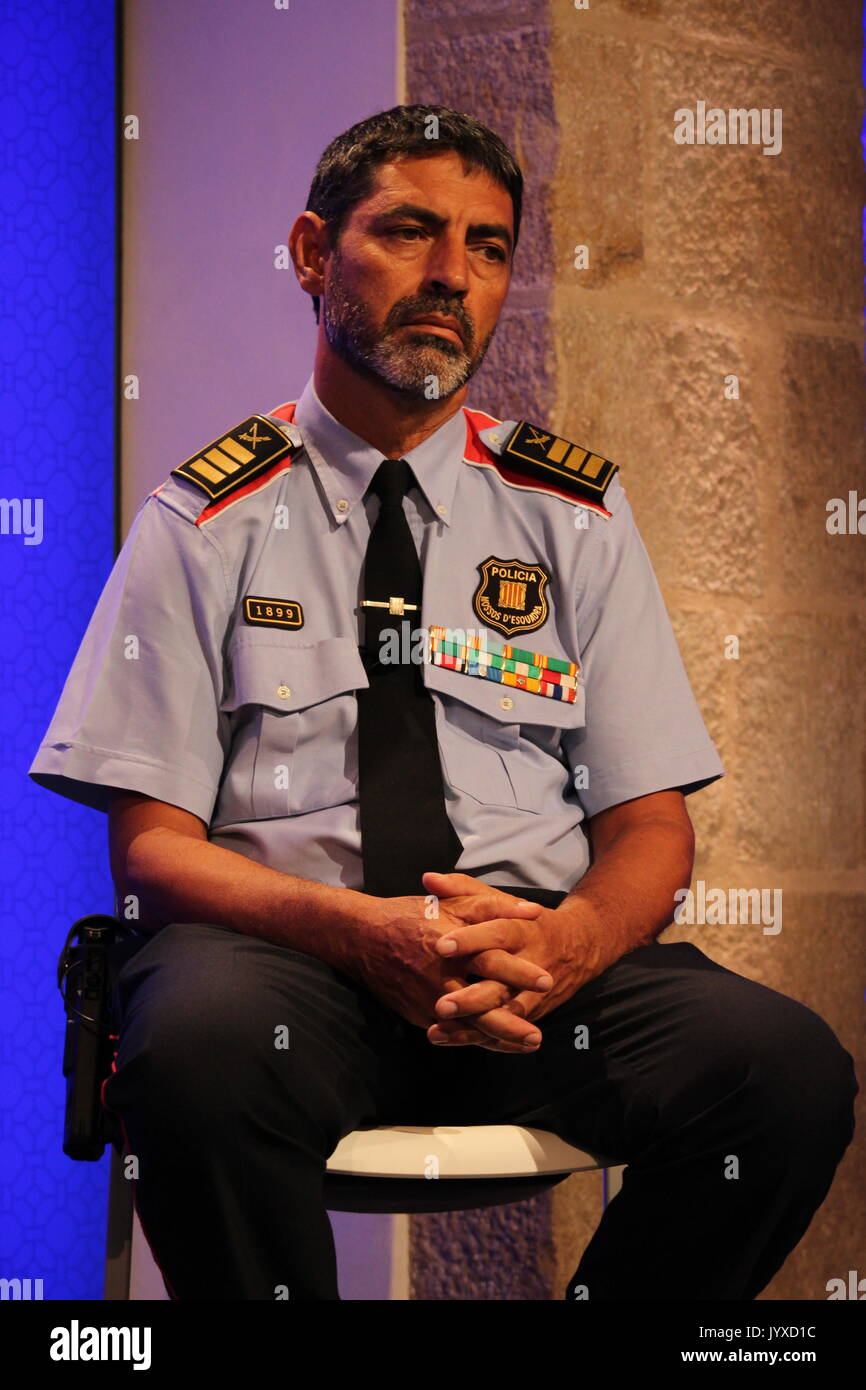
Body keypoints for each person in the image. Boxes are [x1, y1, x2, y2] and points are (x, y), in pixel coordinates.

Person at [29, 105, 856, 1301]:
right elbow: (154, 851)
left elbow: (649, 827)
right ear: (314, 254)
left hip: (532, 979)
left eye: (484, 246)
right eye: (409, 233)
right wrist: (359, 934)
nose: (447, 276)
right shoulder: (202, 520)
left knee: (781, 1073)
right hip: (289, 977)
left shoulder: (570, 514)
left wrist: (567, 944)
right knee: (196, 1050)